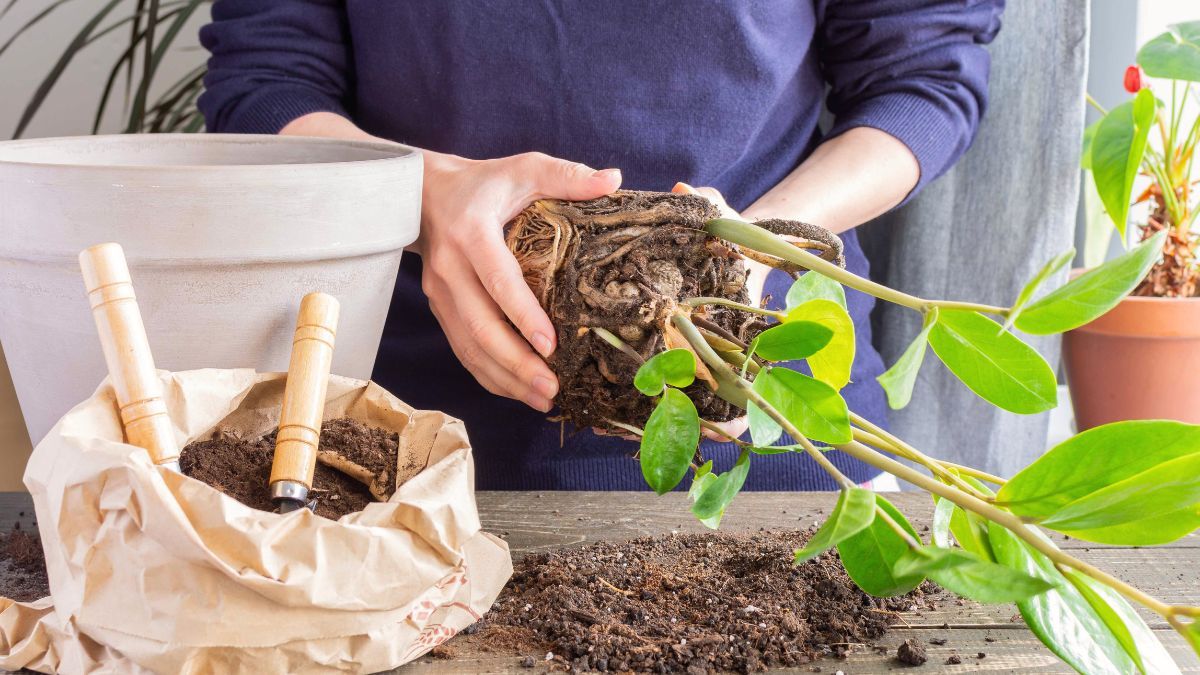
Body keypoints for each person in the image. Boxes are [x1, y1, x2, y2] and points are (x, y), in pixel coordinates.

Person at [198, 1, 1003, 491]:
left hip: (762, 408)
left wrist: (757, 243)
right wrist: (425, 195)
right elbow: (267, 78)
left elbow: (923, 77)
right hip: (406, 438)